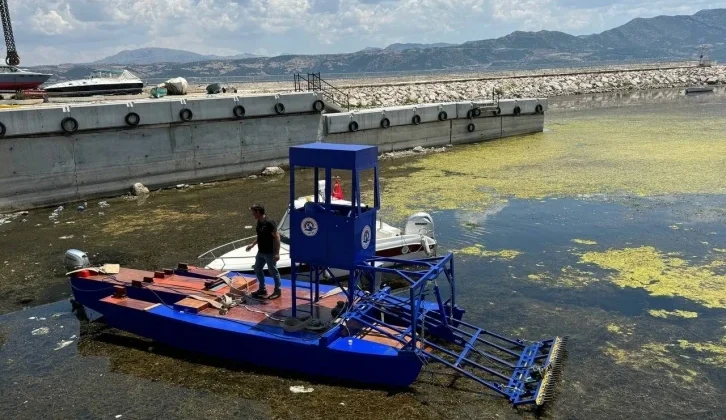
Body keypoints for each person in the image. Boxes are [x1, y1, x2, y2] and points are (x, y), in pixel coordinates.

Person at [246, 204, 282, 299]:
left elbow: (277, 237)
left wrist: (277, 253)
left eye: (253, 212)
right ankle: (262, 289)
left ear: (258, 212)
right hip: (261, 252)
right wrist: (252, 245)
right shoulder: (259, 222)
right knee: (257, 269)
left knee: (273, 271)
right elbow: (260, 236)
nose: (252, 214)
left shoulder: (269, 223)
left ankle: (278, 290)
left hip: (270, 252)